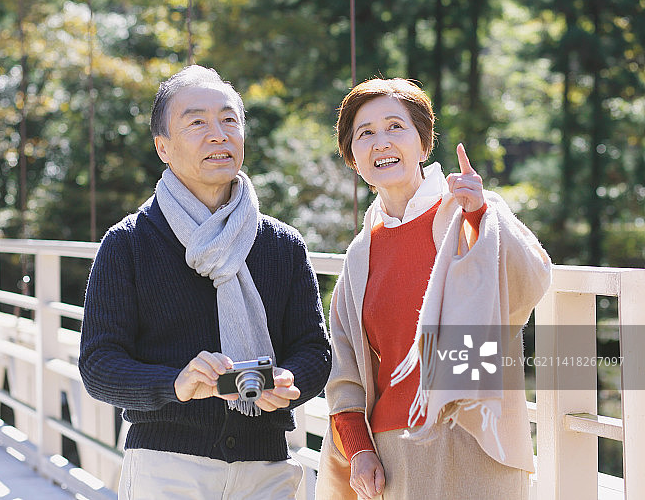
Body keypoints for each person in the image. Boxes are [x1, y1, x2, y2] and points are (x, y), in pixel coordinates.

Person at [79, 65, 331, 499]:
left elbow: (314, 349)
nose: (218, 134)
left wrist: (290, 383)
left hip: (267, 465)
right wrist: (175, 383)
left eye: (229, 120)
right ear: (163, 146)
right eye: (196, 122)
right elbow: (99, 364)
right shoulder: (129, 243)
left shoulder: (282, 244)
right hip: (166, 465)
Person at [315, 78, 552, 499]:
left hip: (480, 440)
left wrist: (479, 215)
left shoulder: (470, 211)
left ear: (424, 145)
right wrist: (358, 450)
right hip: (396, 452)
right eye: (364, 133)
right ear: (352, 157)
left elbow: (531, 279)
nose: (381, 142)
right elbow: (346, 370)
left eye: (395, 127)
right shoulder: (359, 256)